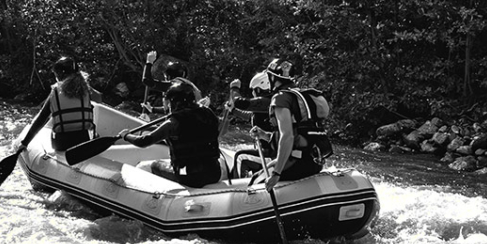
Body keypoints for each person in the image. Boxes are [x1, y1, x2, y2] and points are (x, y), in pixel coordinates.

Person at [228, 58, 334, 186]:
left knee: (254, 182)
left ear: (273, 78)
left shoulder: (281, 99)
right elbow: (297, 133)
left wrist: (276, 173)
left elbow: (287, 136)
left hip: (294, 164)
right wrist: (264, 135)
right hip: (314, 164)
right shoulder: (305, 96)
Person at [123, 78, 222, 187]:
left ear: (174, 102)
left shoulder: (173, 123)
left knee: (152, 165)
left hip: (189, 177)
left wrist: (126, 135)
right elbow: (194, 131)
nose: (167, 106)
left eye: (168, 102)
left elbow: (143, 141)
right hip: (214, 173)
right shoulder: (209, 114)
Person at [46, 55, 94, 153]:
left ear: (60, 74)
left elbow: (40, 120)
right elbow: (99, 98)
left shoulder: (56, 92)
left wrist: (25, 143)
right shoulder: (86, 89)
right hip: (84, 140)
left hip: (62, 144)